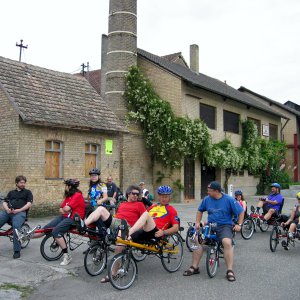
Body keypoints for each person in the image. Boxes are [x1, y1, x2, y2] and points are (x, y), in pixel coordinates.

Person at [74, 184, 146, 283]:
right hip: (116, 222)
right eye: (134, 193)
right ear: (128, 194)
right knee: (100, 209)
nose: (136, 196)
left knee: (119, 247)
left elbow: (144, 220)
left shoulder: (140, 205)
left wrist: (137, 231)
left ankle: (113, 273)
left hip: (128, 226)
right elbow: (117, 216)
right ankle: (83, 225)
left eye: (138, 194)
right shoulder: (122, 204)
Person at [183, 181, 244, 282]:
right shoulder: (207, 199)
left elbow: (241, 212)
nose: (207, 192)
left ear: (216, 191)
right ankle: (194, 267)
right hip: (211, 225)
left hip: (225, 225)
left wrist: (239, 225)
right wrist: (197, 222)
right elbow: (200, 210)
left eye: (209, 191)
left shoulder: (228, 199)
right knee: (198, 240)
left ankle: (229, 270)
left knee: (227, 242)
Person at [16, 179, 85, 266]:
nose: (65, 187)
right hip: (64, 217)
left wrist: (66, 209)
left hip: (74, 219)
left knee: (55, 231)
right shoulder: (69, 196)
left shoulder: (77, 195)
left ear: (70, 186)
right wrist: (66, 210)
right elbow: (61, 209)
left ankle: (67, 256)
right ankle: (26, 237)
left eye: (66, 186)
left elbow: (66, 209)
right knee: (45, 229)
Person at [0, 175, 33, 259]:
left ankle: (17, 251)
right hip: (9, 212)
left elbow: (29, 204)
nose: (23, 184)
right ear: (16, 183)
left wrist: (19, 210)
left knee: (16, 228)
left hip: (20, 213)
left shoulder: (28, 192)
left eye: (24, 183)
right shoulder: (11, 192)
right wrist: (7, 209)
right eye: (21, 183)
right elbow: (4, 202)